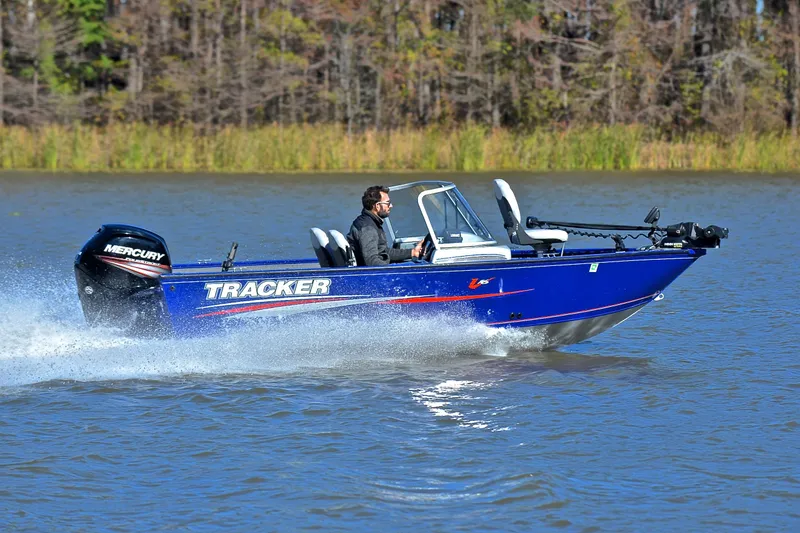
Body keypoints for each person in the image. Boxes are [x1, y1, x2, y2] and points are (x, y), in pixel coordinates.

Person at [347, 185, 424, 266]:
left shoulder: (372, 222)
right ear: (377, 206)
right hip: (375, 272)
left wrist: (413, 252)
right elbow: (371, 261)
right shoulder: (368, 228)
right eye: (388, 203)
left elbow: (383, 251)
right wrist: (393, 269)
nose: (391, 206)